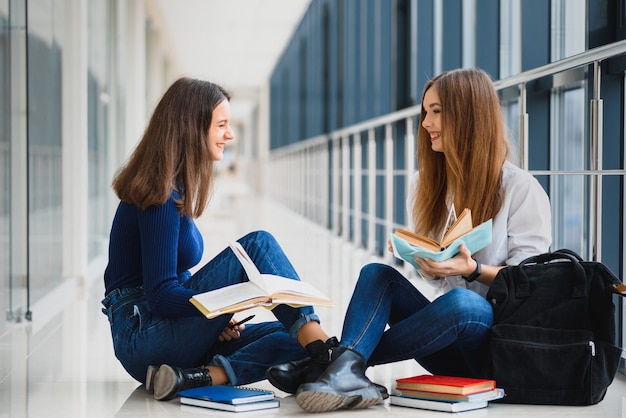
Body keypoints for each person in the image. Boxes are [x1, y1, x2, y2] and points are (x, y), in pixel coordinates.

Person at [266, 68, 552, 413]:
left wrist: (473, 269)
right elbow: (434, 279)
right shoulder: (427, 185)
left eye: (436, 112)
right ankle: (343, 367)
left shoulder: (520, 188)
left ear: (468, 115)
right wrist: (426, 263)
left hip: (494, 345)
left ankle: (330, 363)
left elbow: (531, 286)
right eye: (424, 112)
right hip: (443, 341)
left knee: (464, 302)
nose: (425, 123)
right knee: (377, 273)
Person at [101, 77, 337, 402]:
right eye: (222, 125)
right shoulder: (159, 194)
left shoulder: (175, 189)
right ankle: (328, 354)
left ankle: (196, 377)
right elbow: (160, 295)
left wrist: (213, 319)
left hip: (163, 339)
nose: (230, 134)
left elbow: (174, 290)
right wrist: (226, 306)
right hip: (144, 338)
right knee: (258, 245)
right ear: (192, 128)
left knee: (288, 335)